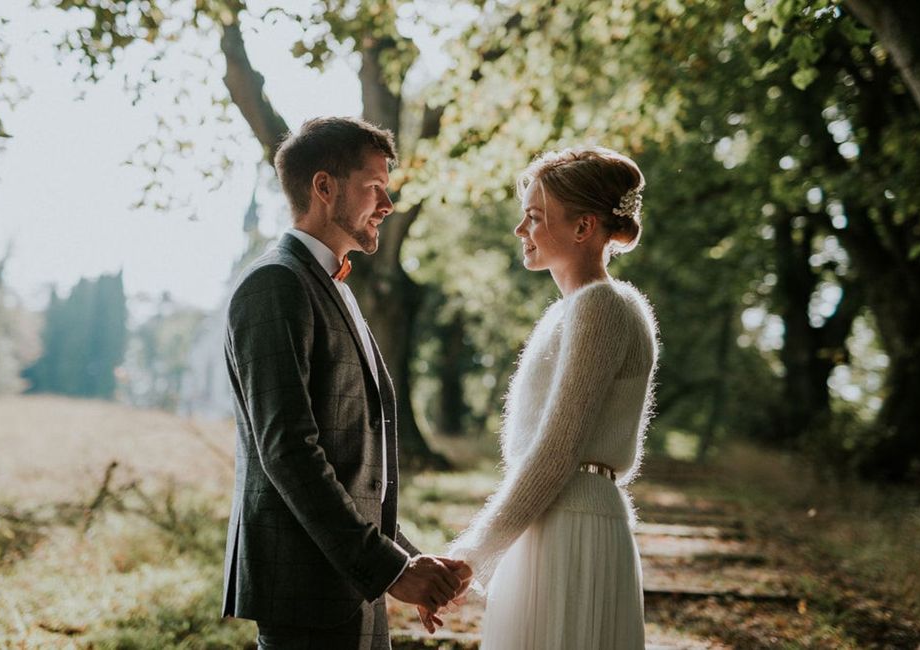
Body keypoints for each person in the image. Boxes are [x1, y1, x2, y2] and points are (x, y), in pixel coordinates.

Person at [221, 116, 470, 650]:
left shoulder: (337, 289)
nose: (387, 205)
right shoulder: (274, 285)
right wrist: (390, 569)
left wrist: (404, 560)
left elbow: (354, 470)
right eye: (374, 187)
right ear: (324, 187)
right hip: (303, 592)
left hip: (353, 585)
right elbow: (288, 451)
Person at [445, 147, 658, 649]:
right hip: (548, 521)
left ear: (584, 227)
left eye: (535, 217)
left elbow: (558, 448)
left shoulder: (602, 305)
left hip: (573, 527)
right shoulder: (569, 311)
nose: (521, 229)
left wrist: (472, 553)